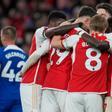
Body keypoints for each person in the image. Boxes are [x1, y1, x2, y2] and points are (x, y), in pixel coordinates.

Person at [51, 15, 112, 112]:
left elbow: (54, 43)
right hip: (95, 93)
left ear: (90, 27)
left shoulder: (76, 39)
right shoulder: (109, 40)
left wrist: (66, 25)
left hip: (74, 91)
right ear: (105, 28)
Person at [41, 6, 96, 112]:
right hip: (65, 82)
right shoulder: (81, 35)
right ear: (87, 20)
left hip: (49, 82)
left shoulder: (61, 29)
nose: (91, 28)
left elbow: (53, 43)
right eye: (91, 24)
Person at [20, 10, 68, 112]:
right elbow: (37, 54)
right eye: (61, 24)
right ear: (54, 23)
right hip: (32, 81)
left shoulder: (54, 40)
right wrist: (23, 70)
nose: (63, 28)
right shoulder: (41, 31)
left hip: (42, 83)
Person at [0, 26, 28, 112]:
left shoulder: (1, 52)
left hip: (3, 96)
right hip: (20, 97)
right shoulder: (25, 56)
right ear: (15, 37)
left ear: (3, 37)